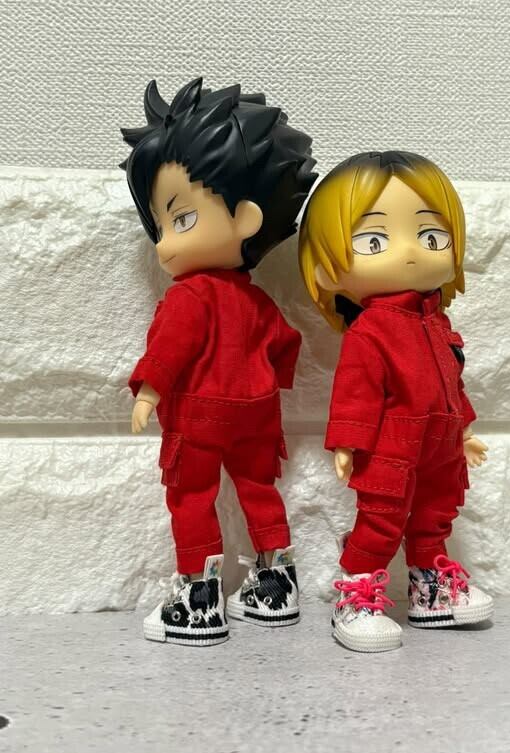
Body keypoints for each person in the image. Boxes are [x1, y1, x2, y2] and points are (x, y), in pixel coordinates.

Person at [120, 77, 317, 645]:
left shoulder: (191, 295)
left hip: (201, 417)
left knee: (191, 497)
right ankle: (276, 585)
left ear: (248, 218)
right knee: (259, 489)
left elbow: (170, 349)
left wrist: (150, 390)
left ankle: (198, 599)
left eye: (180, 220)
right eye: (160, 226)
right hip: (257, 415)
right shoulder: (256, 300)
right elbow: (285, 344)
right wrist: (266, 382)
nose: (164, 244)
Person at [298, 151, 492, 653]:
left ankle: (430, 589)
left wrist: (465, 430)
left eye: (430, 236)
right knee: (381, 520)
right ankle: (356, 593)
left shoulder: (438, 324)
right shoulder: (371, 331)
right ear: (326, 271)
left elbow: (453, 383)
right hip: (391, 447)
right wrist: (347, 443)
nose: (409, 252)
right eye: (374, 241)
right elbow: (356, 390)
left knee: (435, 514)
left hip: (441, 445)